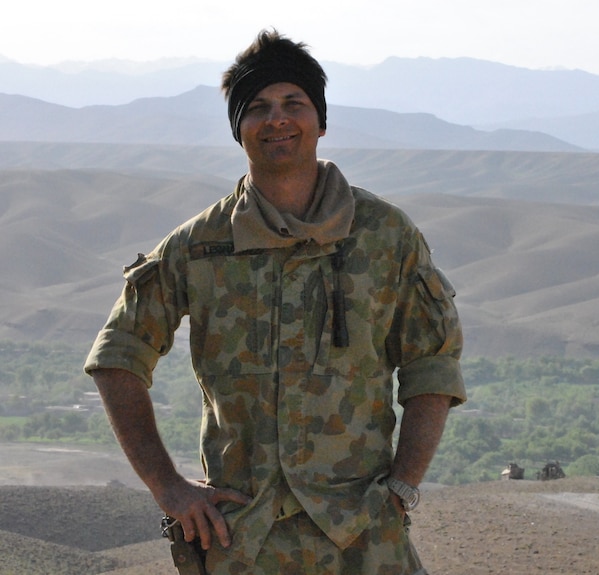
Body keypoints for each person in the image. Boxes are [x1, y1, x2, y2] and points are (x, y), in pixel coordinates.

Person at [84, 28, 466, 575]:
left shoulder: (384, 235)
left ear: (321, 121)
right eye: (257, 107)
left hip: (361, 536)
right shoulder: (200, 245)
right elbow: (118, 355)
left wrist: (403, 486)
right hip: (242, 536)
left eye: (294, 103)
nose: (277, 119)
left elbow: (433, 362)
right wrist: (168, 487)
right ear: (239, 129)